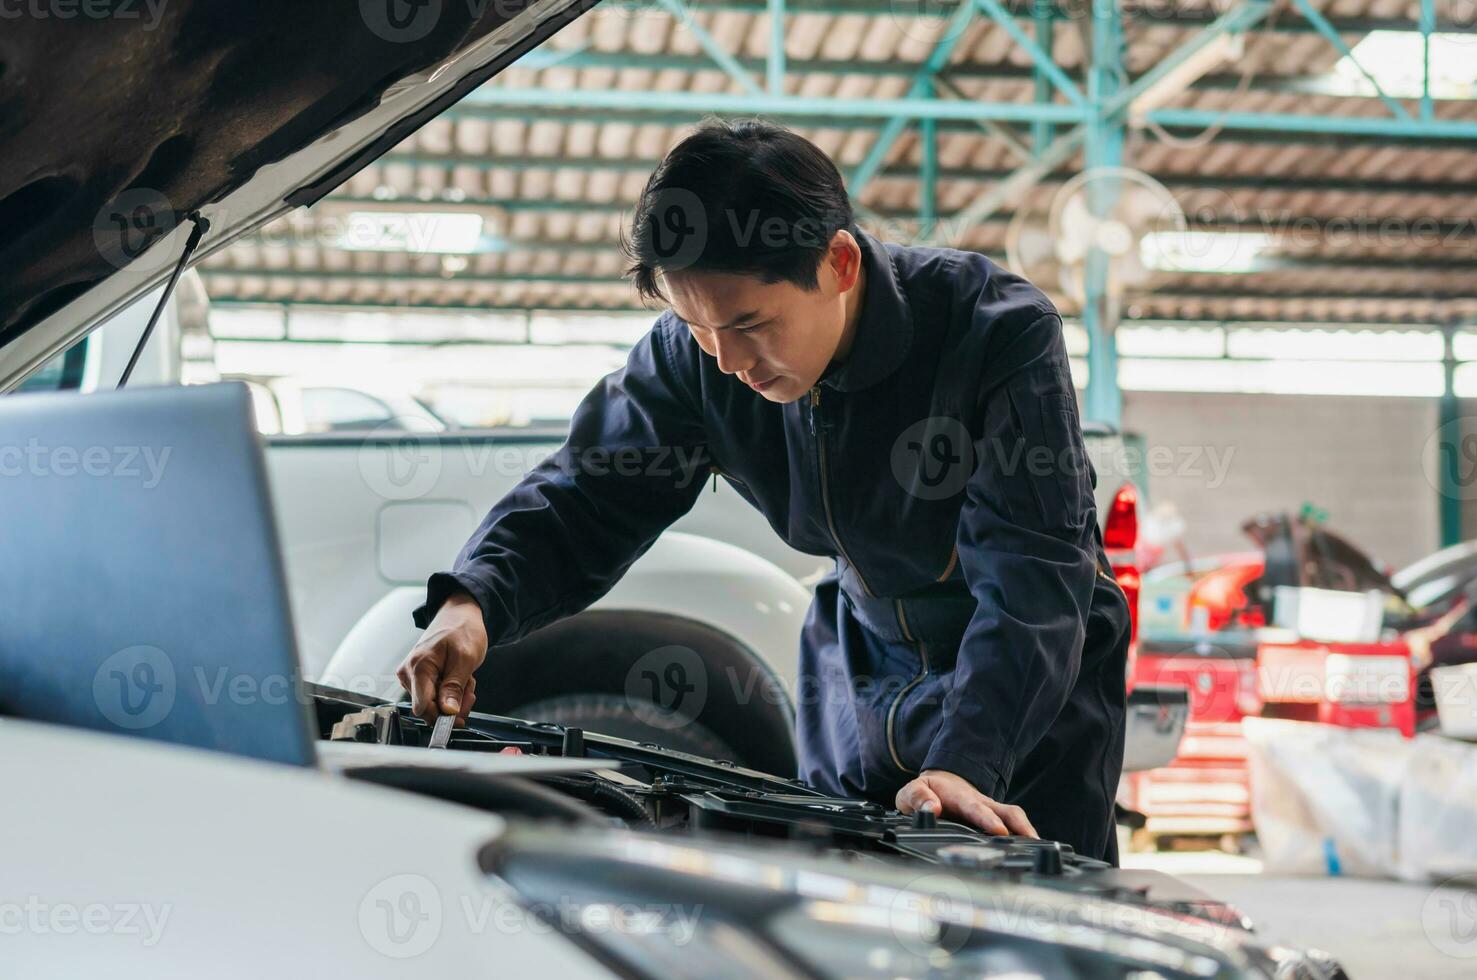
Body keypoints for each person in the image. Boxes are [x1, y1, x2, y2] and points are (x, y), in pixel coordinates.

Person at [396, 119, 1133, 862]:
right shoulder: (695, 357)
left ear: (839, 264)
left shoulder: (995, 332)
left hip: (1026, 678)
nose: (724, 361)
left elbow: (1031, 575)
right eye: (697, 325)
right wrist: (474, 600)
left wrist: (965, 765)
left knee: (1032, 921)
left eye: (751, 323)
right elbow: (587, 490)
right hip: (862, 668)